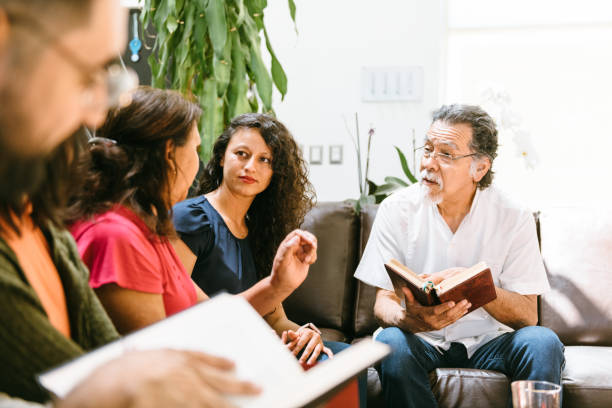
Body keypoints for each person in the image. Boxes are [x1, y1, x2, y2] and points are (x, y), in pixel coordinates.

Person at [0, 0, 262, 405]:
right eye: (87, 72)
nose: (96, 111)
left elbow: (103, 366)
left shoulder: (42, 226)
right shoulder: (113, 232)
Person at [354, 104, 565, 408]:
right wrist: (409, 318)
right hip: (421, 340)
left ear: (479, 168)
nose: (429, 163)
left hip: (490, 342)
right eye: (427, 150)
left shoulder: (513, 216)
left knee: (542, 342)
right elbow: (382, 301)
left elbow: (527, 315)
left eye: (446, 154)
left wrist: (475, 286)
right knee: (390, 342)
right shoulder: (396, 208)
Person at [66, 86, 317, 334]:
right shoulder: (117, 237)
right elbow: (157, 355)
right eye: (196, 149)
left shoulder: (148, 230)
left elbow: (211, 316)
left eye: (265, 160)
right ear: (169, 154)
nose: (199, 161)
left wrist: (278, 285)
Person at [172, 113, 343, 365]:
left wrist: (307, 333)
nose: (251, 166)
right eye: (241, 154)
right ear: (221, 157)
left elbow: (275, 318)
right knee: (327, 367)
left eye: (265, 160)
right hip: (211, 350)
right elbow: (181, 308)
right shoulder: (191, 217)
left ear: (275, 173)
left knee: (344, 358)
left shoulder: (261, 231)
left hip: (254, 344)